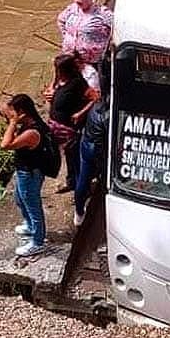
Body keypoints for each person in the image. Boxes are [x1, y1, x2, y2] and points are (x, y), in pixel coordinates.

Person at [0, 94, 50, 258]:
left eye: (14, 112)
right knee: (20, 199)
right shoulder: (29, 123)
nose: (11, 115)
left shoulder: (32, 132)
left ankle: (38, 242)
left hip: (30, 174)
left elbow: (5, 145)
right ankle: (30, 226)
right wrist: (11, 117)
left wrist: (13, 122)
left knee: (32, 206)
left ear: (22, 112)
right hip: (25, 172)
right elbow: (2, 107)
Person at [44, 52, 96, 193]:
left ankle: (81, 187)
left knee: (75, 158)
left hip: (70, 129)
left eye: (58, 69)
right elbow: (51, 90)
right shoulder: (59, 81)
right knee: (67, 157)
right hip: (56, 127)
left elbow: (95, 98)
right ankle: (72, 182)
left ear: (65, 70)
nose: (57, 72)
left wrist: (80, 113)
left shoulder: (77, 83)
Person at [56, 0, 113, 89]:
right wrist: (67, 37)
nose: (77, 1)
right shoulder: (71, 9)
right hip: (71, 57)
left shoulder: (102, 13)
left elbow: (116, 28)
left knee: (93, 86)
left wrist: (109, 44)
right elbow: (60, 20)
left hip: (93, 60)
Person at [73, 62, 110, 227]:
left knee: (83, 179)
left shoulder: (95, 107)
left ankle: (79, 212)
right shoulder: (109, 114)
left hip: (86, 143)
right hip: (98, 148)